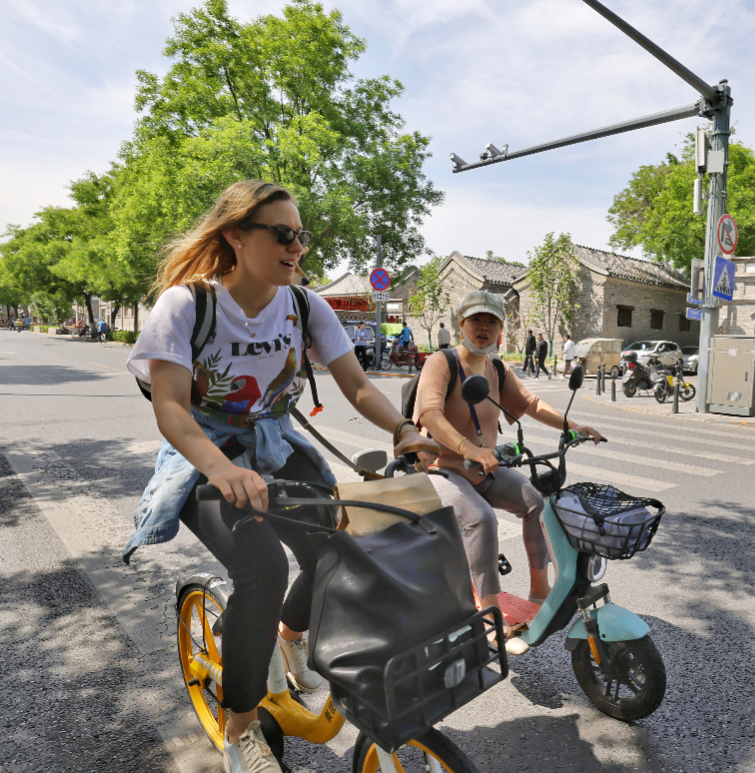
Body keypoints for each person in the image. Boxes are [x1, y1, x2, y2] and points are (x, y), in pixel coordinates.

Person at [123, 180, 436, 773]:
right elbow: (169, 408)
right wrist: (220, 469)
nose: (298, 248)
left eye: (302, 236)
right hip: (204, 453)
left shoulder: (304, 305)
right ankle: (241, 731)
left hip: (273, 445)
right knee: (263, 568)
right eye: (283, 234)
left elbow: (359, 385)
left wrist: (403, 430)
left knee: (338, 552)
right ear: (236, 237)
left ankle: (287, 638)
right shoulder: (187, 304)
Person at [413, 291, 604, 655]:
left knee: (536, 502)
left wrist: (573, 426)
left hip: (484, 467)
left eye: (492, 321)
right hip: (443, 470)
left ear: (501, 329)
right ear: (461, 324)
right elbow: (430, 416)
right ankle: (489, 612)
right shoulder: (441, 362)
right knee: (482, 519)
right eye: (476, 320)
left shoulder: (496, 368)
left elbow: (530, 404)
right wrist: (468, 448)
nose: (483, 327)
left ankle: (539, 588)